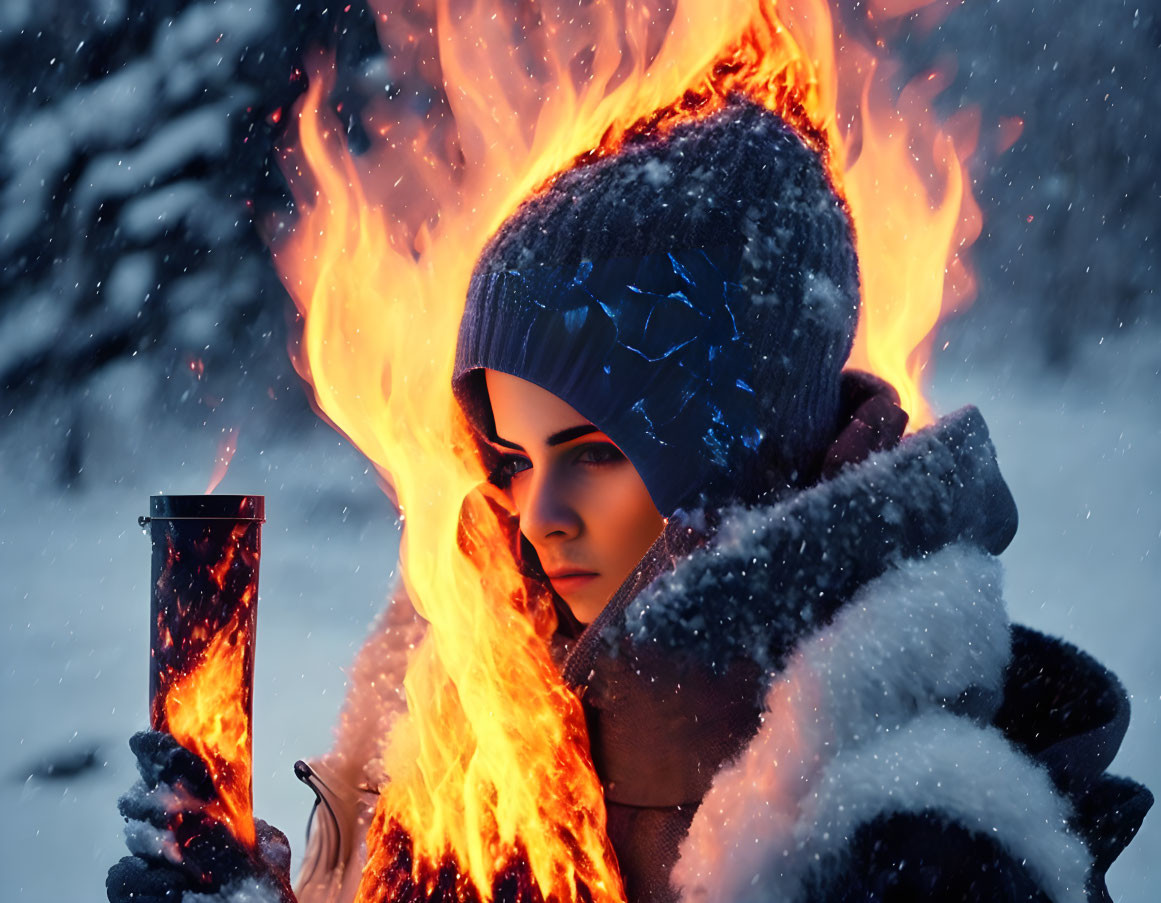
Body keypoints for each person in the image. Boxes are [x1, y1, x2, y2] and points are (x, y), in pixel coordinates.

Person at [109, 98, 1151, 903]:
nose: (537, 511)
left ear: (743, 450)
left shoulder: (900, 842)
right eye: (512, 459)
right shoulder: (480, 737)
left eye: (595, 452)